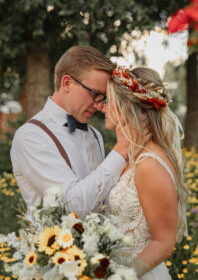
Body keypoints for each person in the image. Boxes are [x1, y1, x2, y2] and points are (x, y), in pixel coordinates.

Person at [10, 46, 130, 221]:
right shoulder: (30, 136)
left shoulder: (96, 135)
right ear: (67, 83)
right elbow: (71, 207)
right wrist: (120, 151)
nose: (99, 105)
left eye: (103, 98)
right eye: (95, 94)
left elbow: (101, 201)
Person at [102, 66, 188, 279]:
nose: (102, 107)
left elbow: (164, 243)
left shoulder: (149, 164)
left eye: (107, 100)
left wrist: (121, 276)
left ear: (124, 107)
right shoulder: (131, 156)